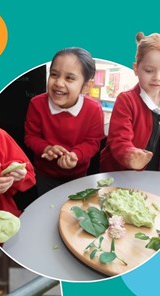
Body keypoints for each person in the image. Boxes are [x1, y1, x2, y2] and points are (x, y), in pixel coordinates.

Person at [99, 28, 160, 180]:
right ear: (136, 69)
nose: (157, 77)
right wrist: (130, 156)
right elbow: (119, 140)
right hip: (119, 174)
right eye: (149, 70)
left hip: (155, 174)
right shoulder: (126, 100)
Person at [24, 47, 106, 195]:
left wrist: (76, 155)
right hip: (44, 175)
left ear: (86, 86)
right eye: (54, 75)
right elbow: (31, 137)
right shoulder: (36, 104)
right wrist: (47, 148)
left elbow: (93, 142)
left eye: (69, 78)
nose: (59, 83)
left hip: (78, 176)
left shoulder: (94, 109)